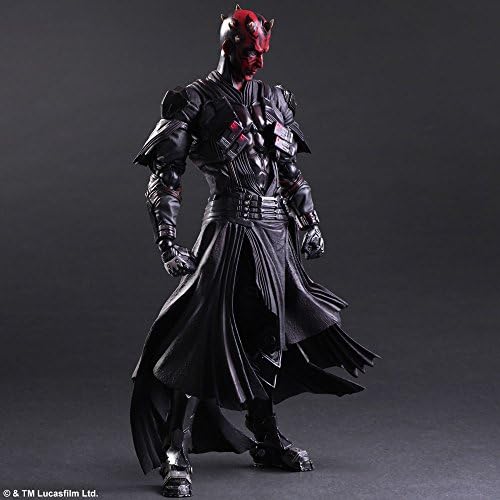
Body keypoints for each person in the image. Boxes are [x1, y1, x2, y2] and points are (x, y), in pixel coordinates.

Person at [130, 5, 379, 498]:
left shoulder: (275, 99)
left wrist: (309, 222)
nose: (258, 61)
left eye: (262, 51)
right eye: (249, 52)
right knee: (201, 337)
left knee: (269, 333)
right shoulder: (193, 101)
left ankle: (264, 434)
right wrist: (168, 243)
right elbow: (166, 177)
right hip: (227, 229)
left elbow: (290, 172)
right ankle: (175, 445)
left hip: (274, 232)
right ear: (228, 47)